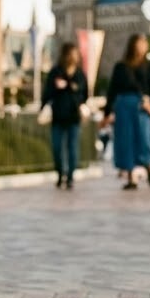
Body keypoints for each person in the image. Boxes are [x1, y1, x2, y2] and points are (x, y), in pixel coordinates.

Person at [105, 34, 150, 190]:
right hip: (124, 106)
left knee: (144, 138)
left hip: (142, 106)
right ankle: (131, 177)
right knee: (126, 140)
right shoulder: (121, 66)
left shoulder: (148, 66)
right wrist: (107, 112)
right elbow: (112, 89)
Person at [41, 42, 89, 189]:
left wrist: (70, 88)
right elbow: (47, 92)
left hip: (73, 117)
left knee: (72, 147)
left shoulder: (79, 74)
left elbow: (84, 94)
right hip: (58, 116)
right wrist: (43, 107)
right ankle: (60, 172)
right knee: (57, 147)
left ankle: (70, 176)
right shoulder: (56, 72)